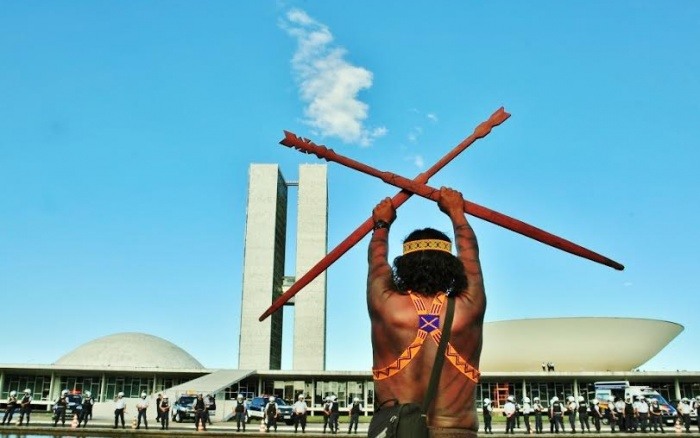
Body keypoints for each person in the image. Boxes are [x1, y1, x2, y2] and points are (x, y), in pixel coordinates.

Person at [367, 187, 485, 437]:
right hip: (457, 432)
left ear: (403, 267)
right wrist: (456, 213)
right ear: (452, 267)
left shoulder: (388, 307)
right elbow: (471, 256)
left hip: (397, 432)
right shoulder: (468, 308)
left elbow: (377, 262)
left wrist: (381, 224)